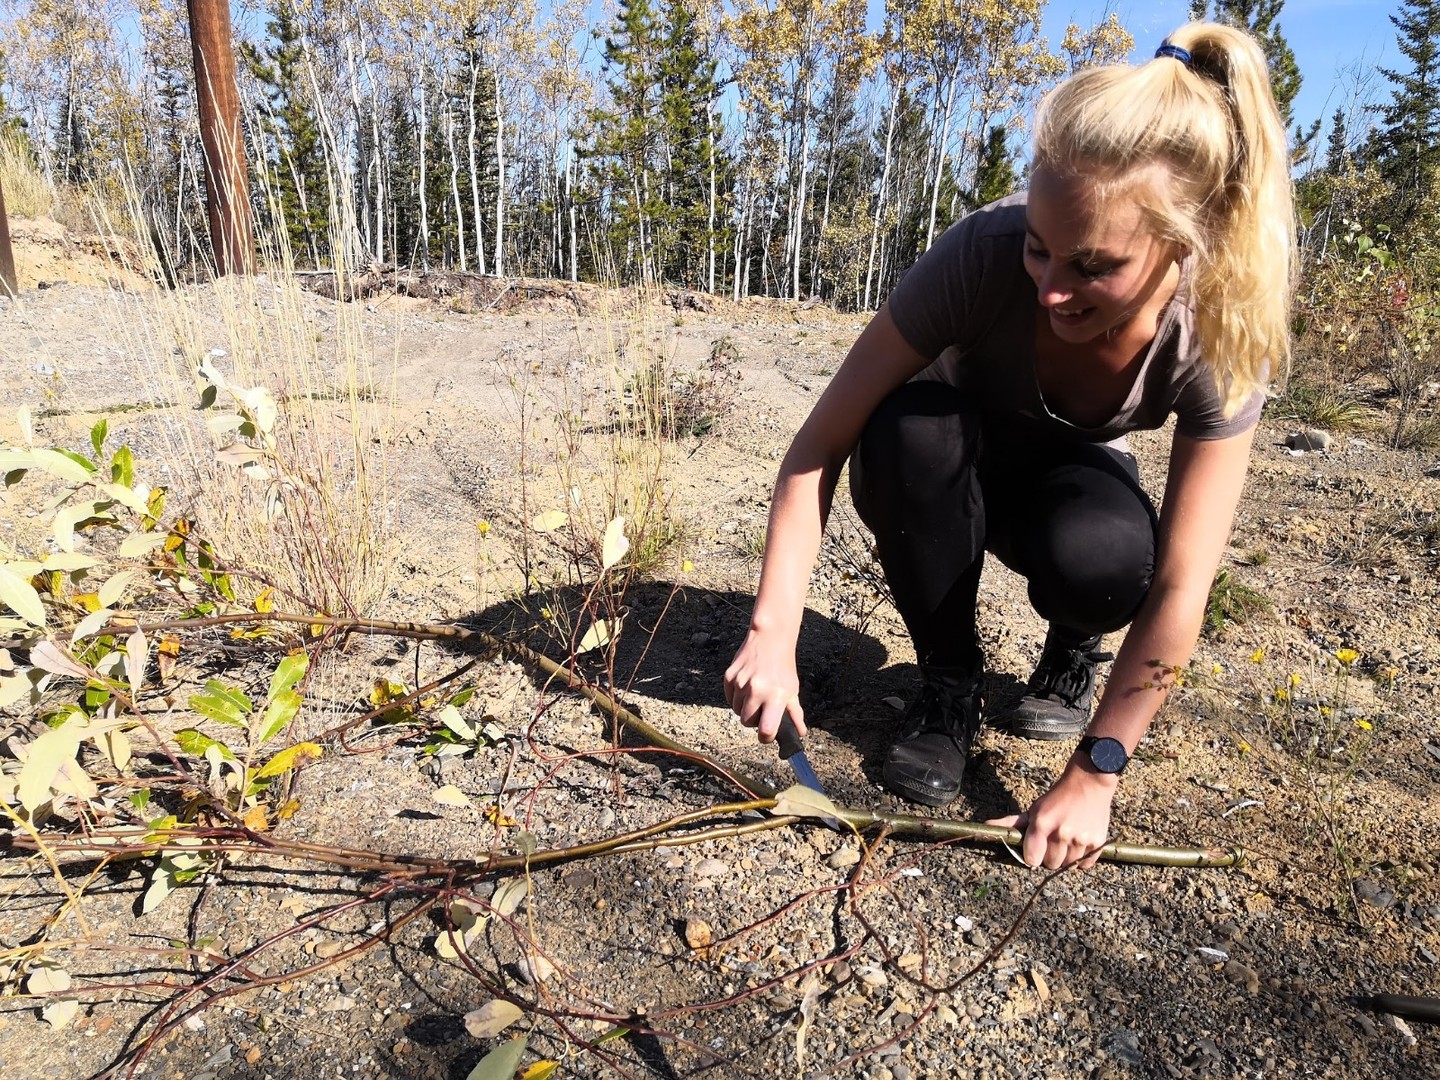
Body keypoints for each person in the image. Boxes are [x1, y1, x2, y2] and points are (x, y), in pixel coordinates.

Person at [722, 22, 1294, 872]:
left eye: (1092, 266)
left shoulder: (1216, 329)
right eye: (1038, 246)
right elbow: (817, 448)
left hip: (1075, 481)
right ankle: (948, 682)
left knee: (1107, 562)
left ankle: (1072, 649)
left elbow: (1183, 585)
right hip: (946, 457)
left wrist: (1098, 769)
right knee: (907, 430)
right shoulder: (980, 256)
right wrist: (773, 631)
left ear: (1183, 240)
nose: (1051, 289)